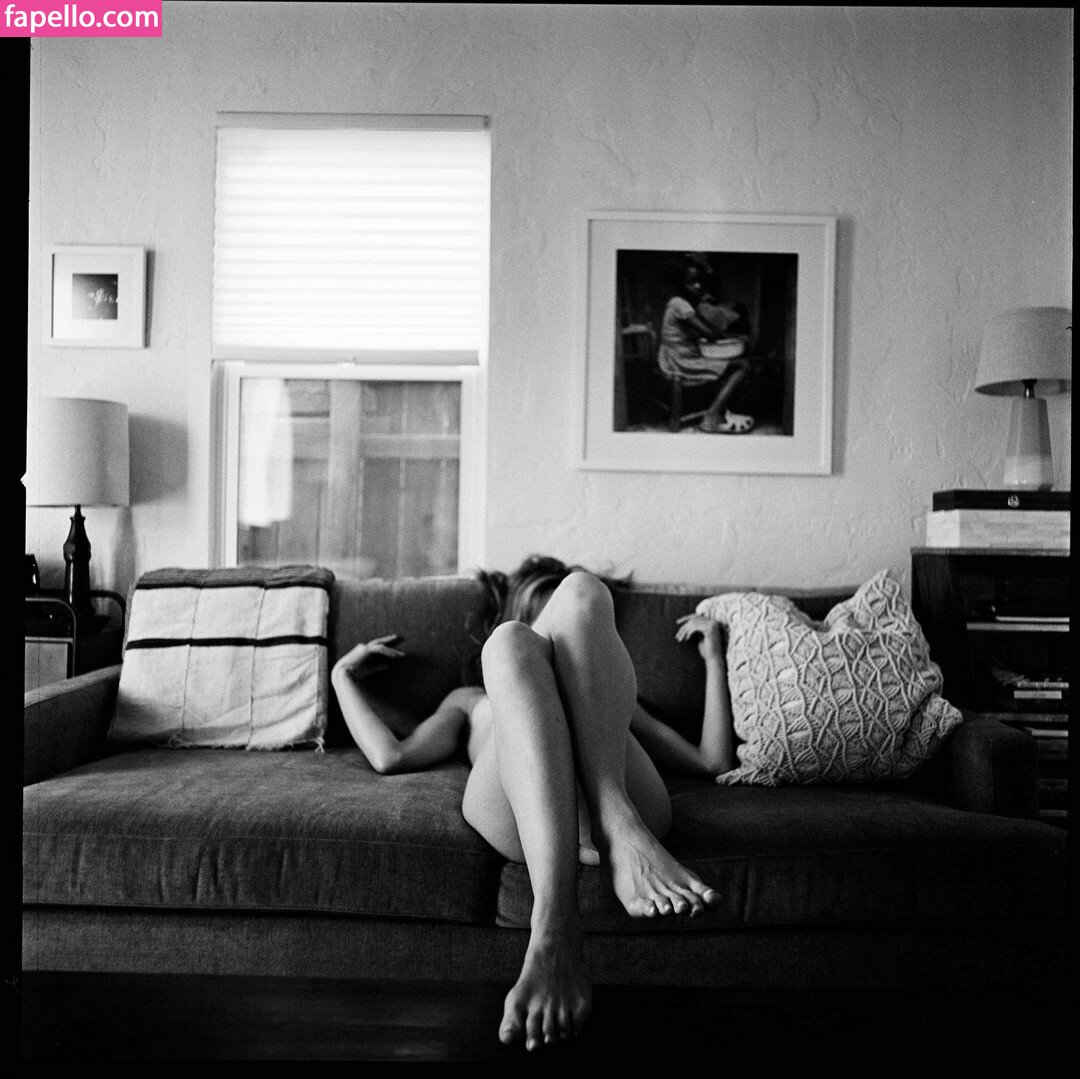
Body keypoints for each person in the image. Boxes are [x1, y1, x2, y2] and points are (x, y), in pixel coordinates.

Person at [331, 555, 736, 1052]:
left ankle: (613, 822)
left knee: (583, 591)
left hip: (622, 798)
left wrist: (715, 659)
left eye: (568, 631)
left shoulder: (612, 693)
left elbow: (711, 760)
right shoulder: (468, 698)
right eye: (543, 615)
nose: (556, 634)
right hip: (521, 815)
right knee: (513, 643)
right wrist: (342, 676)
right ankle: (559, 911)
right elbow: (391, 756)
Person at [657, 260, 755, 434]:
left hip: (673, 357)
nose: (698, 286)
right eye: (691, 282)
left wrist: (722, 333)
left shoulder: (682, 303)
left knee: (725, 363)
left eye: (700, 281)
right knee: (744, 365)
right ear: (680, 285)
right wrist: (732, 337)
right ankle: (711, 416)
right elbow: (711, 334)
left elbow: (706, 328)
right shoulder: (680, 304)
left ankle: (717, 410)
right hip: (681, 361)